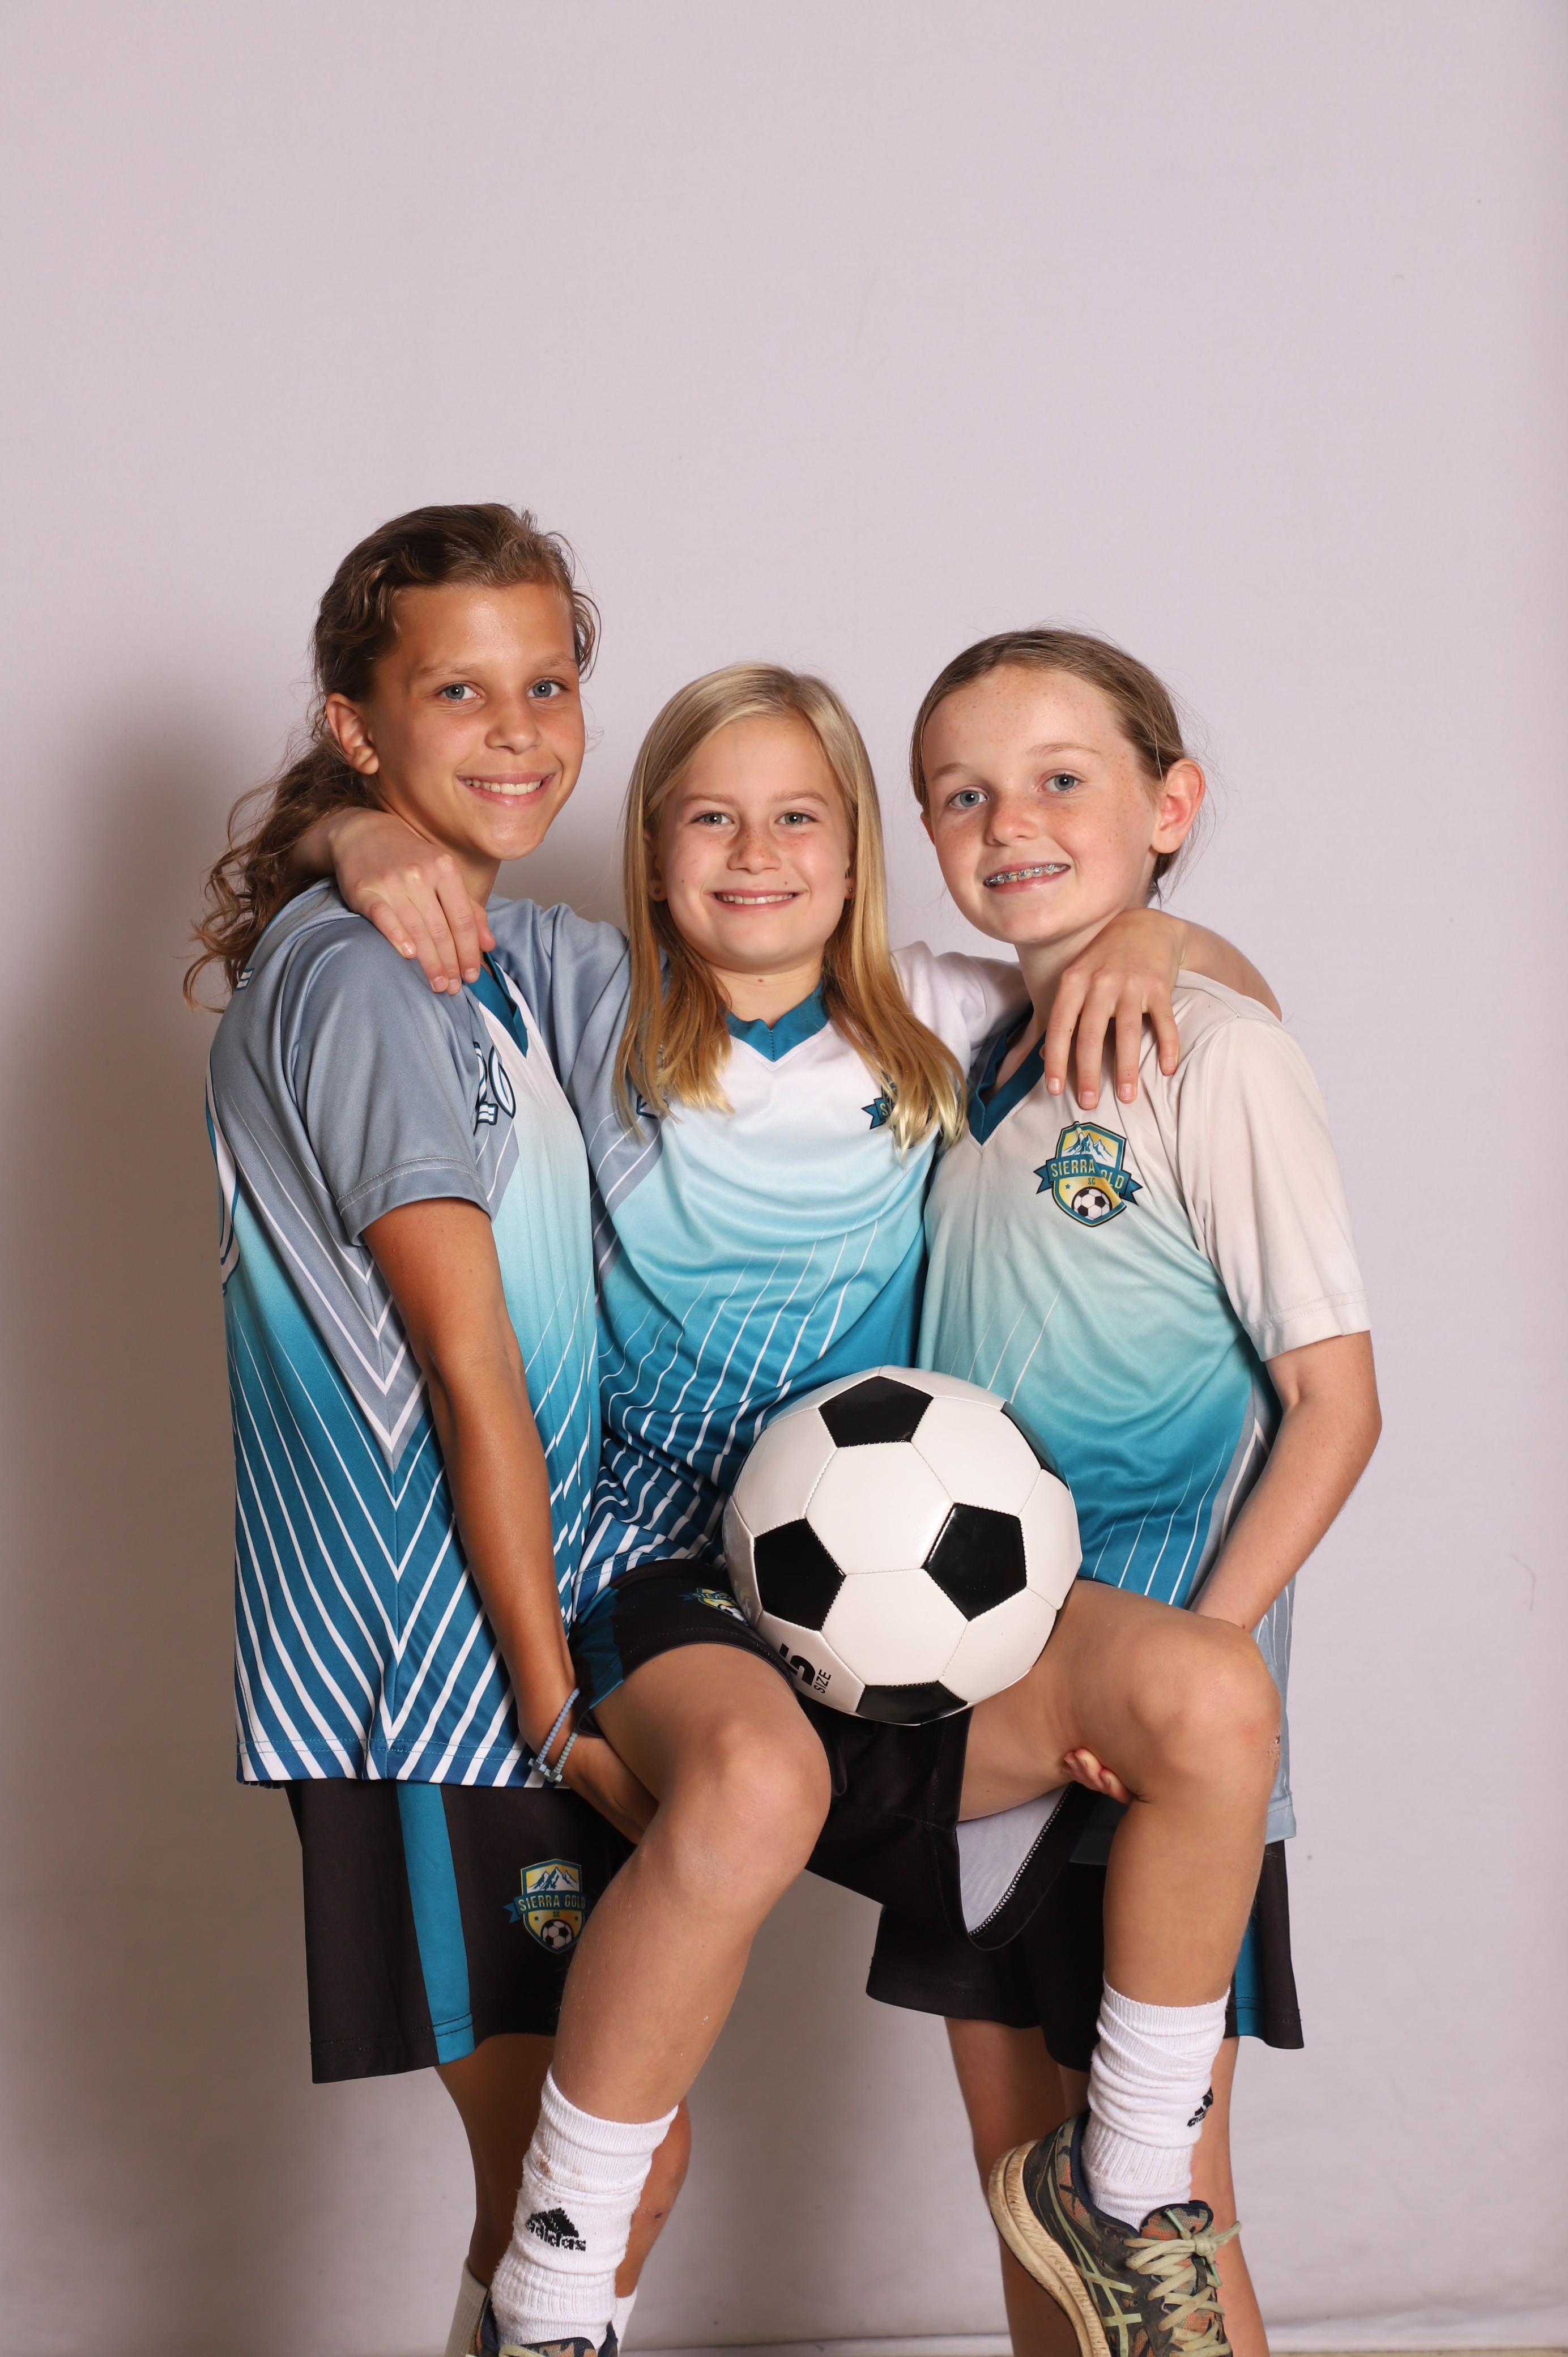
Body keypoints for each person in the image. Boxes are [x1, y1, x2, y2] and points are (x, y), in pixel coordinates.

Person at [310, 661, 1284, 2357]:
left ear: (856, 854)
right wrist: (350, 830)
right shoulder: (581, 996)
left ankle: (1127, 2187)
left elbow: (1230, 1007)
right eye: (710, 817)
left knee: (1210, 1691)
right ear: (651, 850)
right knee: (755, 1781)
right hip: (668, 1578)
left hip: (910, 1595)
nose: (755, 853)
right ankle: (557, 2286)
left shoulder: (944, 1011)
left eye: (798, 818)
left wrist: (1160, 934)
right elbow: (389, 893)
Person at [191, 505, 689, 2357]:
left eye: (546, 684)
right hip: (434, 1680)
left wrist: (1157, 939)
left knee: (592, 2179)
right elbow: (471, 1374)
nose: (517, 730)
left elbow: (771, 970)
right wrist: (555, 1707)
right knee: (581, 2175)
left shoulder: (506, 962)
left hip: (517, 1648)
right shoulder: (359, 978)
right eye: (457, 691)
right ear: (359, 721)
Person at [865, 629, 1380, 2357]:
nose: (1009, 822)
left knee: (1158, 2215)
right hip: (987, 1709)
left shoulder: (1218, 1053)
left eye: (1061, 781)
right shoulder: (961, 1042)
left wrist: (1195, 1677)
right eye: (961, 795)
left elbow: (1337, 1406)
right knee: (1032, 2199)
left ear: (1172, 805)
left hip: (1161, 1748)